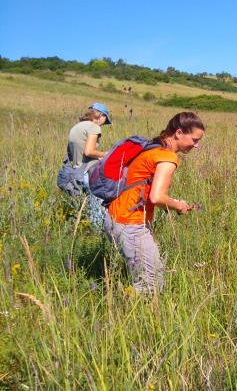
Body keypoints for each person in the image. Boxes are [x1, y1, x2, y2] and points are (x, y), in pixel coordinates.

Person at [103, 112, 205, 295]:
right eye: (195, 139)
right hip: (129, 223)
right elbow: (156, 197)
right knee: (151, 283)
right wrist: (178, 205)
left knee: (147, 278)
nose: (196, 145)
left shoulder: (152, 148)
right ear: (179, 133)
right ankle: (125, 316)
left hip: (116, 217)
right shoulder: (167, 158)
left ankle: (123, 308)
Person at [63, 102, 113, 227]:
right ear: (101, 115)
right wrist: (105, 154)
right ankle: (96, 237)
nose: (103, 124)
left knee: (81, 211)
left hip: (74, 174)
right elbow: (89, 151)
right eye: (105, 120)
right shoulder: (94, 127)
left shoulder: (78, 126)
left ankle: (84, 232)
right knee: (97, 214)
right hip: (88, 174)